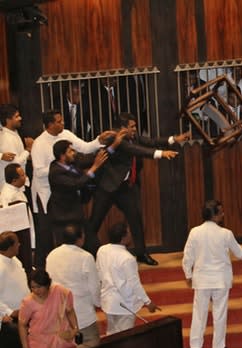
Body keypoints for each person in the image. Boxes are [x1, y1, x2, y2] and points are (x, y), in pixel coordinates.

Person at [86, 112, 188, 265]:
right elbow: (137, 151)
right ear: (122, 128)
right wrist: (161, 154)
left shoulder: (134, 137)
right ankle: (85, 255)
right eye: (132, 126)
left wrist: (174, 139)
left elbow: (151, 142)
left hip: (124, 187)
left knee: (135, 218)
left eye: (135, 126)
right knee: (94, 222)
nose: (135, 129)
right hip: (107, 188)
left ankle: (141, 253)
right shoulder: (113, 138)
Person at [31, 109, 109, 267]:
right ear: (50, 124)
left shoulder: (65, 134)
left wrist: (99, 140)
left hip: (67, 194)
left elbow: (86, 148)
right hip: (46, 193)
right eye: (59, 121)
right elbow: (39, 172)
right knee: (46, 234)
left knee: (84, 235)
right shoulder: (39, 144)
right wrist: (61, 170)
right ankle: (42, 267)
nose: (63, 123)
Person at [183, 200, 242, 348]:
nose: (223, 214)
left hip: (201, 280)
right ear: (214, 215)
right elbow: (239, 252)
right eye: (221, 212)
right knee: (220, 314)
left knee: (199, 314)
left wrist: (188, 275)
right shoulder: (225, 233)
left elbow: (187, 257)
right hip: (220, 280)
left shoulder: (195, 232)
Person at [96, 223, 159, 335]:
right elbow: (134, 283)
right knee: (125, 338)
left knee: (111, 334)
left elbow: (99, 272)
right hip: (124, 304)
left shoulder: (102, 250)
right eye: (129, 233)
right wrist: (148, 302)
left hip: (108, 301)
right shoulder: (127, 258)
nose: (131, 235)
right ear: (123, 238)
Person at [46, 225, 101, 346]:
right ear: (80, 238)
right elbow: (94, 286)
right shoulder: (86, 257)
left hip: (59, 314)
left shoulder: (51, 255)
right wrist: (98, 303)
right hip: (83, 313)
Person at [48, 139, 110, 246]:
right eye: (70, 151)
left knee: (92, 243)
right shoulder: (55, 172)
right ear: (62, 156)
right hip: (63, 215)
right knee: (65, 248)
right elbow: (75, 184)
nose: (74, 153)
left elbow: (92, 159)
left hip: (76, 213)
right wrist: (94, 168)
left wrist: (110, 147)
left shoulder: (74, 162)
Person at [18, 269, 80, 348]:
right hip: (39, 346)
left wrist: (75, 329)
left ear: (47, 285)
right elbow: (22, 325)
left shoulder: (59, 292)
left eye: (39, 287)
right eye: (32, 287)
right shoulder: (28, 302)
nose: (35, 290)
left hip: (62, 341)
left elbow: (70, 311)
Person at [0, 231, 30, 348]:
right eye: (17, 242)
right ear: (10, 247)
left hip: (24, 314)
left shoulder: (15, 260)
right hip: (11, 322)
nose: (20, 244)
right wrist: (8, 311)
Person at [1, 163, 34, 271]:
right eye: (22, 175)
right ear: (14, 180)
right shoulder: (8, 195)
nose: (25, 177)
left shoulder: (16, 190)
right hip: (19, 236)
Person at [0, 104, 31, 192]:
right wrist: (28, 150)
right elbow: (15, 163)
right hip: (11, 186)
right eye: (16, 116)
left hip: (17, 184)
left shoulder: (13, 133)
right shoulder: (6, 138)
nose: (20, 118)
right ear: (8, 120)